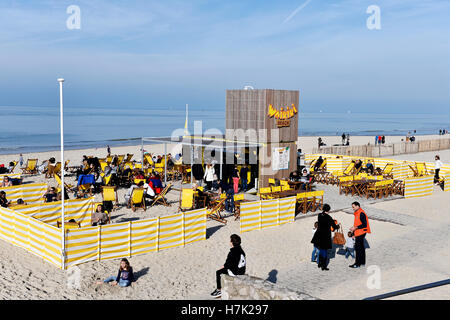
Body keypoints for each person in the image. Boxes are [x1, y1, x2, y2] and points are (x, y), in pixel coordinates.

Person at [311, 204, 339, 271]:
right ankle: (323, 266)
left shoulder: (319, 215)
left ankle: (319, 263)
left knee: (320, 249)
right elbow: (334, 226)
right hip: (325, 236)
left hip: (318, 235)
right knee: (324, 251)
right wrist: (337, 226)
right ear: (328, 210)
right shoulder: (328, 217)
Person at [349, 202, 371, 268]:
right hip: (359, 232)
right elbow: (357, 223)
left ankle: (357, 264)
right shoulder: (357, 212)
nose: (352, 208)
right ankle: (362, 262)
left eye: (353, 207)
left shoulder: (361, 213)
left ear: (357, 206)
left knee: (358, 248)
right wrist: (353, 232)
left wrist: (355, 228)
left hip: (361, 232)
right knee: (361, 247)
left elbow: (364, 224)